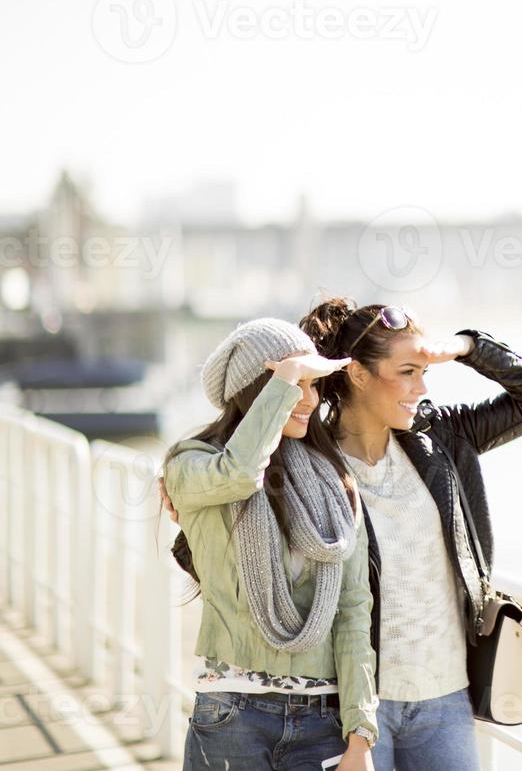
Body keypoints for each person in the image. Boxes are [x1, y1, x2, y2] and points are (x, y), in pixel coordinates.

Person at [165, 301, 522, 771]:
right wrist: (188, 497)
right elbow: (226, 552)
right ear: (356, 374)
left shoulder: (442, 439)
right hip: (351, 698)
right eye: (408, 371)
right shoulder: (310, 460)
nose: (423, 385)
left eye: (425, 370)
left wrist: (462, 347)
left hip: (446, 695)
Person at [161, 318, 379, 771]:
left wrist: (360, 735)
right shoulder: (193, 464)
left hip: (322, 720)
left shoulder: (333, 479)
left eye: (313, 385)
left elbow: (354, 611)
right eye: (296, 383)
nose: (310, 399)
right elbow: (240, 475)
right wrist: (285, 379)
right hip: (232, 713)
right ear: (257, 389)